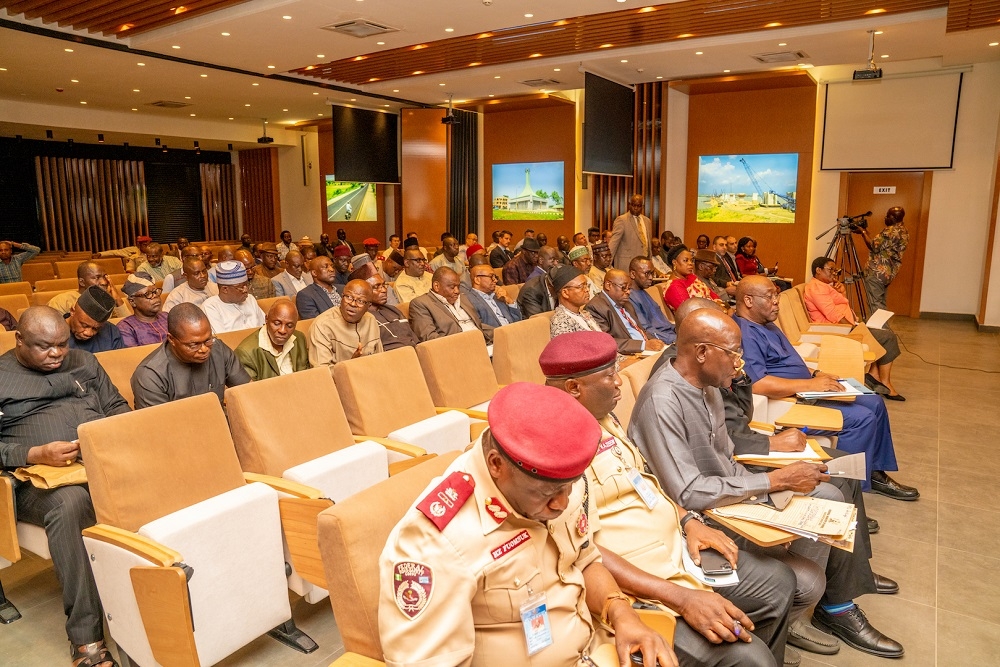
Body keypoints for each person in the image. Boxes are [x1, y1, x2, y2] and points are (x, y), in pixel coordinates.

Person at [631, 308, 905, 660]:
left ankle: (798, 606)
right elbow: (689, 492)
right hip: (702, 517)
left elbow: (727, 461)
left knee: (829, 496)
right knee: (808, 580)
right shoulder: (663, 400)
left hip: (729, 495)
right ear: (701, 353)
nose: (740, 363)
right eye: (732, 353)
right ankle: (781, 613)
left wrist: (772, 486)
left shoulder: (710, 386)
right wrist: (774, 480)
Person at [542, 331, 796, 666]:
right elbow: (583, 552)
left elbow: (641, 479)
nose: (619, 383)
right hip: (637, 580)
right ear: (575, 388)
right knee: (749, 658)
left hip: (677, 549)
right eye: (609, 376)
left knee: (778, 584)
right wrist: (681, 597)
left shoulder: (602, 416)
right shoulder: (551, 448)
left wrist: (688, 521)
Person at [378, 382, 675, 667]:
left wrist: (621, 613)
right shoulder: (435, 542)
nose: (562, 503)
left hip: (598, 647)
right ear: (497, 465)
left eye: (568, 488)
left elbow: (585, 559)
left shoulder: (558, 479)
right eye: (546, 494)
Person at [0, 306, 131, 667]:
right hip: (36, 483)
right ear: (19, 340)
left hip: (101, 463)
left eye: (62, 343)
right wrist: (33, 452)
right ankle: (87, 640)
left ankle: (162, 599)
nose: (57, 354)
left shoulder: (84, 363)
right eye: (44, 347)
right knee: (71, 503)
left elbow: (117, 406)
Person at [734, 276, 917, 500]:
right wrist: (810, 384)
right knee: (862, 418)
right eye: (770, 296)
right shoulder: (746, 332)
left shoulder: (766, 324)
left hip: (806, 389)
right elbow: (759, 384)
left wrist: (815, 375)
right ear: (748, 300)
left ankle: (873, 472)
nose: (776, 301)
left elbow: (786, 362)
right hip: (789, 402)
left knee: (874, 401)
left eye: (777, 295)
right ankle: (848, 492)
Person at [804, 257, 904, 399]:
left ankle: (873, 375)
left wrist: (842, 293)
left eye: (835, 270)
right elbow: (833, 315)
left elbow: (842, 306)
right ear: (818, 270)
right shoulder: (816, 288)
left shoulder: (827, 286)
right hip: (835, 331)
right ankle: (885, 382)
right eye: (830, 270)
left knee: (882, 335)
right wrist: (855, 329)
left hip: (845, 327)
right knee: (887, 337)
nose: (834, 273)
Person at [132, 303, 250, 409]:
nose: (204, 349)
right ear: (171, 339)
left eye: (208, 340)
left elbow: (248, 392)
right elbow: (160, 427)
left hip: (219, 424)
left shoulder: (218, 349)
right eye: (194, 345)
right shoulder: (149, 375)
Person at [586, 269, 666, 354]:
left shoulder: (627, 303)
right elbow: (607, 342)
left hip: (647, 351)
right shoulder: (595, 307)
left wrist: (656, 342)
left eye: (629, 288)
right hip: (629, 354)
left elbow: (641, 330)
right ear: (608, 285)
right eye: (623, 288)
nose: (628, 292)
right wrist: (643, 345)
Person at [309, 279, 382, 369]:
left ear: (369, 306)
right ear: (342, 297)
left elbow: (380, 360)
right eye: (349, 297)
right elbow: (321, 372)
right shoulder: (322, 325)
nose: (352, 304)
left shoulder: (371, 320)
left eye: (360, 301)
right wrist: (350, 365)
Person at [409, 267, 494, 344]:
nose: (457, 291)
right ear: (436, 286)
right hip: (458, 350)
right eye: (452, 287)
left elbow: (478, 325)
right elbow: (429, 338)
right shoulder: (421, 304)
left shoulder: (462, 298)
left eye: (458, 286)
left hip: (483, 343)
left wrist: (498, 333)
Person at [235, 299, 309, 380]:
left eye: (290, 326)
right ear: (266, 319)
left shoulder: (299, 338)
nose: (282, 330)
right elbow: (251, 390)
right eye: (277, 323)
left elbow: (307, 375)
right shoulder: (246, 353)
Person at [861, 207, 908, 313]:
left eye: (887, 215)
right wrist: (865, 232)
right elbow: (881, 245)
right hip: (887, 273)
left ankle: (880, 329)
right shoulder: (903, 231)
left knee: (875, 303)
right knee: (880, 302)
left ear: (893, 217)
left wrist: (862, 232)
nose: (885, 218)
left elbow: (873, 246)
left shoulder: (891, 231)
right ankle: (882, 328)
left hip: (877, 273)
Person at [201, 260, 266, 334]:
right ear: (225, 289)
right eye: (241, 287)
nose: (246, 290)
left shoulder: (250, 299)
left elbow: (264, 325)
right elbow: (222, 340)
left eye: (246, 285)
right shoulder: (210, 307)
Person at [48, 261, 130, 319]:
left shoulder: (107, 301)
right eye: (97, 278)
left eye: (105, 277)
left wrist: (117, 299)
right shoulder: (62, 301)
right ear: (82, 282)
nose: (104, 282)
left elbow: (127, 326)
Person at [362, 270, 418, 351]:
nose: (384, 290)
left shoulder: (393, 310)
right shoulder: (363, 318)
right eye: (376, 287)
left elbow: (413, 338)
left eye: (384, 285)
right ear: (363, 291)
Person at [627, 256, 677, 343]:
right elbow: (647, 330)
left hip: (670, 335)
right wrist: (675, 339)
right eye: (647, 273)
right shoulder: (630, 297)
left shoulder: (644, 292)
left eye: (652, 273)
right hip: (662, 340)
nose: (651, 277)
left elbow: (666, 324)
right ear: (632, 274)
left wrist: (681, 331)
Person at [66, 285, 123, 353]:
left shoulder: (111, 333)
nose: (89, 333)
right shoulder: (53, 333)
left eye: (96, 329)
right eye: (84, 325)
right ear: (72, 311)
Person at [117, 273, 169, 347]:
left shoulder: (166, 317)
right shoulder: (126, 328)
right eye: (147, 294)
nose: (155, 296)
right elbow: (137, 356)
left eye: (155, 292)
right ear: (133, 302)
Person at [549, 266, 602, 337]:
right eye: (581, 286)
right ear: (565, 293)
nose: (587, 290)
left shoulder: (584, 313)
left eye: (586, 285)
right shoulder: (561, 322)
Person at [465, 263, 522, 328]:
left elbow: (518, 320)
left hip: (515, 331)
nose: (495, 280)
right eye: (491, 276)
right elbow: (481, 328)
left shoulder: (498, 294)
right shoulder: (469, 300)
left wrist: (510, 301)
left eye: (495, 277)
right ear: (477, 280)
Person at [665, 247, 720, 311]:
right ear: (674, 262)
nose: (690, 263)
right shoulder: (674, 287)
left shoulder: (691, 277)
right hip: (700, 318)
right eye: (685, 260)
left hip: (713, 312)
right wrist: (718, 308)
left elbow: (711, 293)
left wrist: (722, 305)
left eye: (691, 260)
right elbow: (690, 311)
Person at [610, 194, 653, 271]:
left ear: (642, 207)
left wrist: (650, 263)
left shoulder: (647, 221)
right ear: (629, 205)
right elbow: (613, 244)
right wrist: (607, 264)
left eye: (638, 206)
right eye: (633, 205)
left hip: (644, 266)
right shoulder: (622, 220)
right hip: (626, 265)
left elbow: (648, 246)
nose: (635, 208)